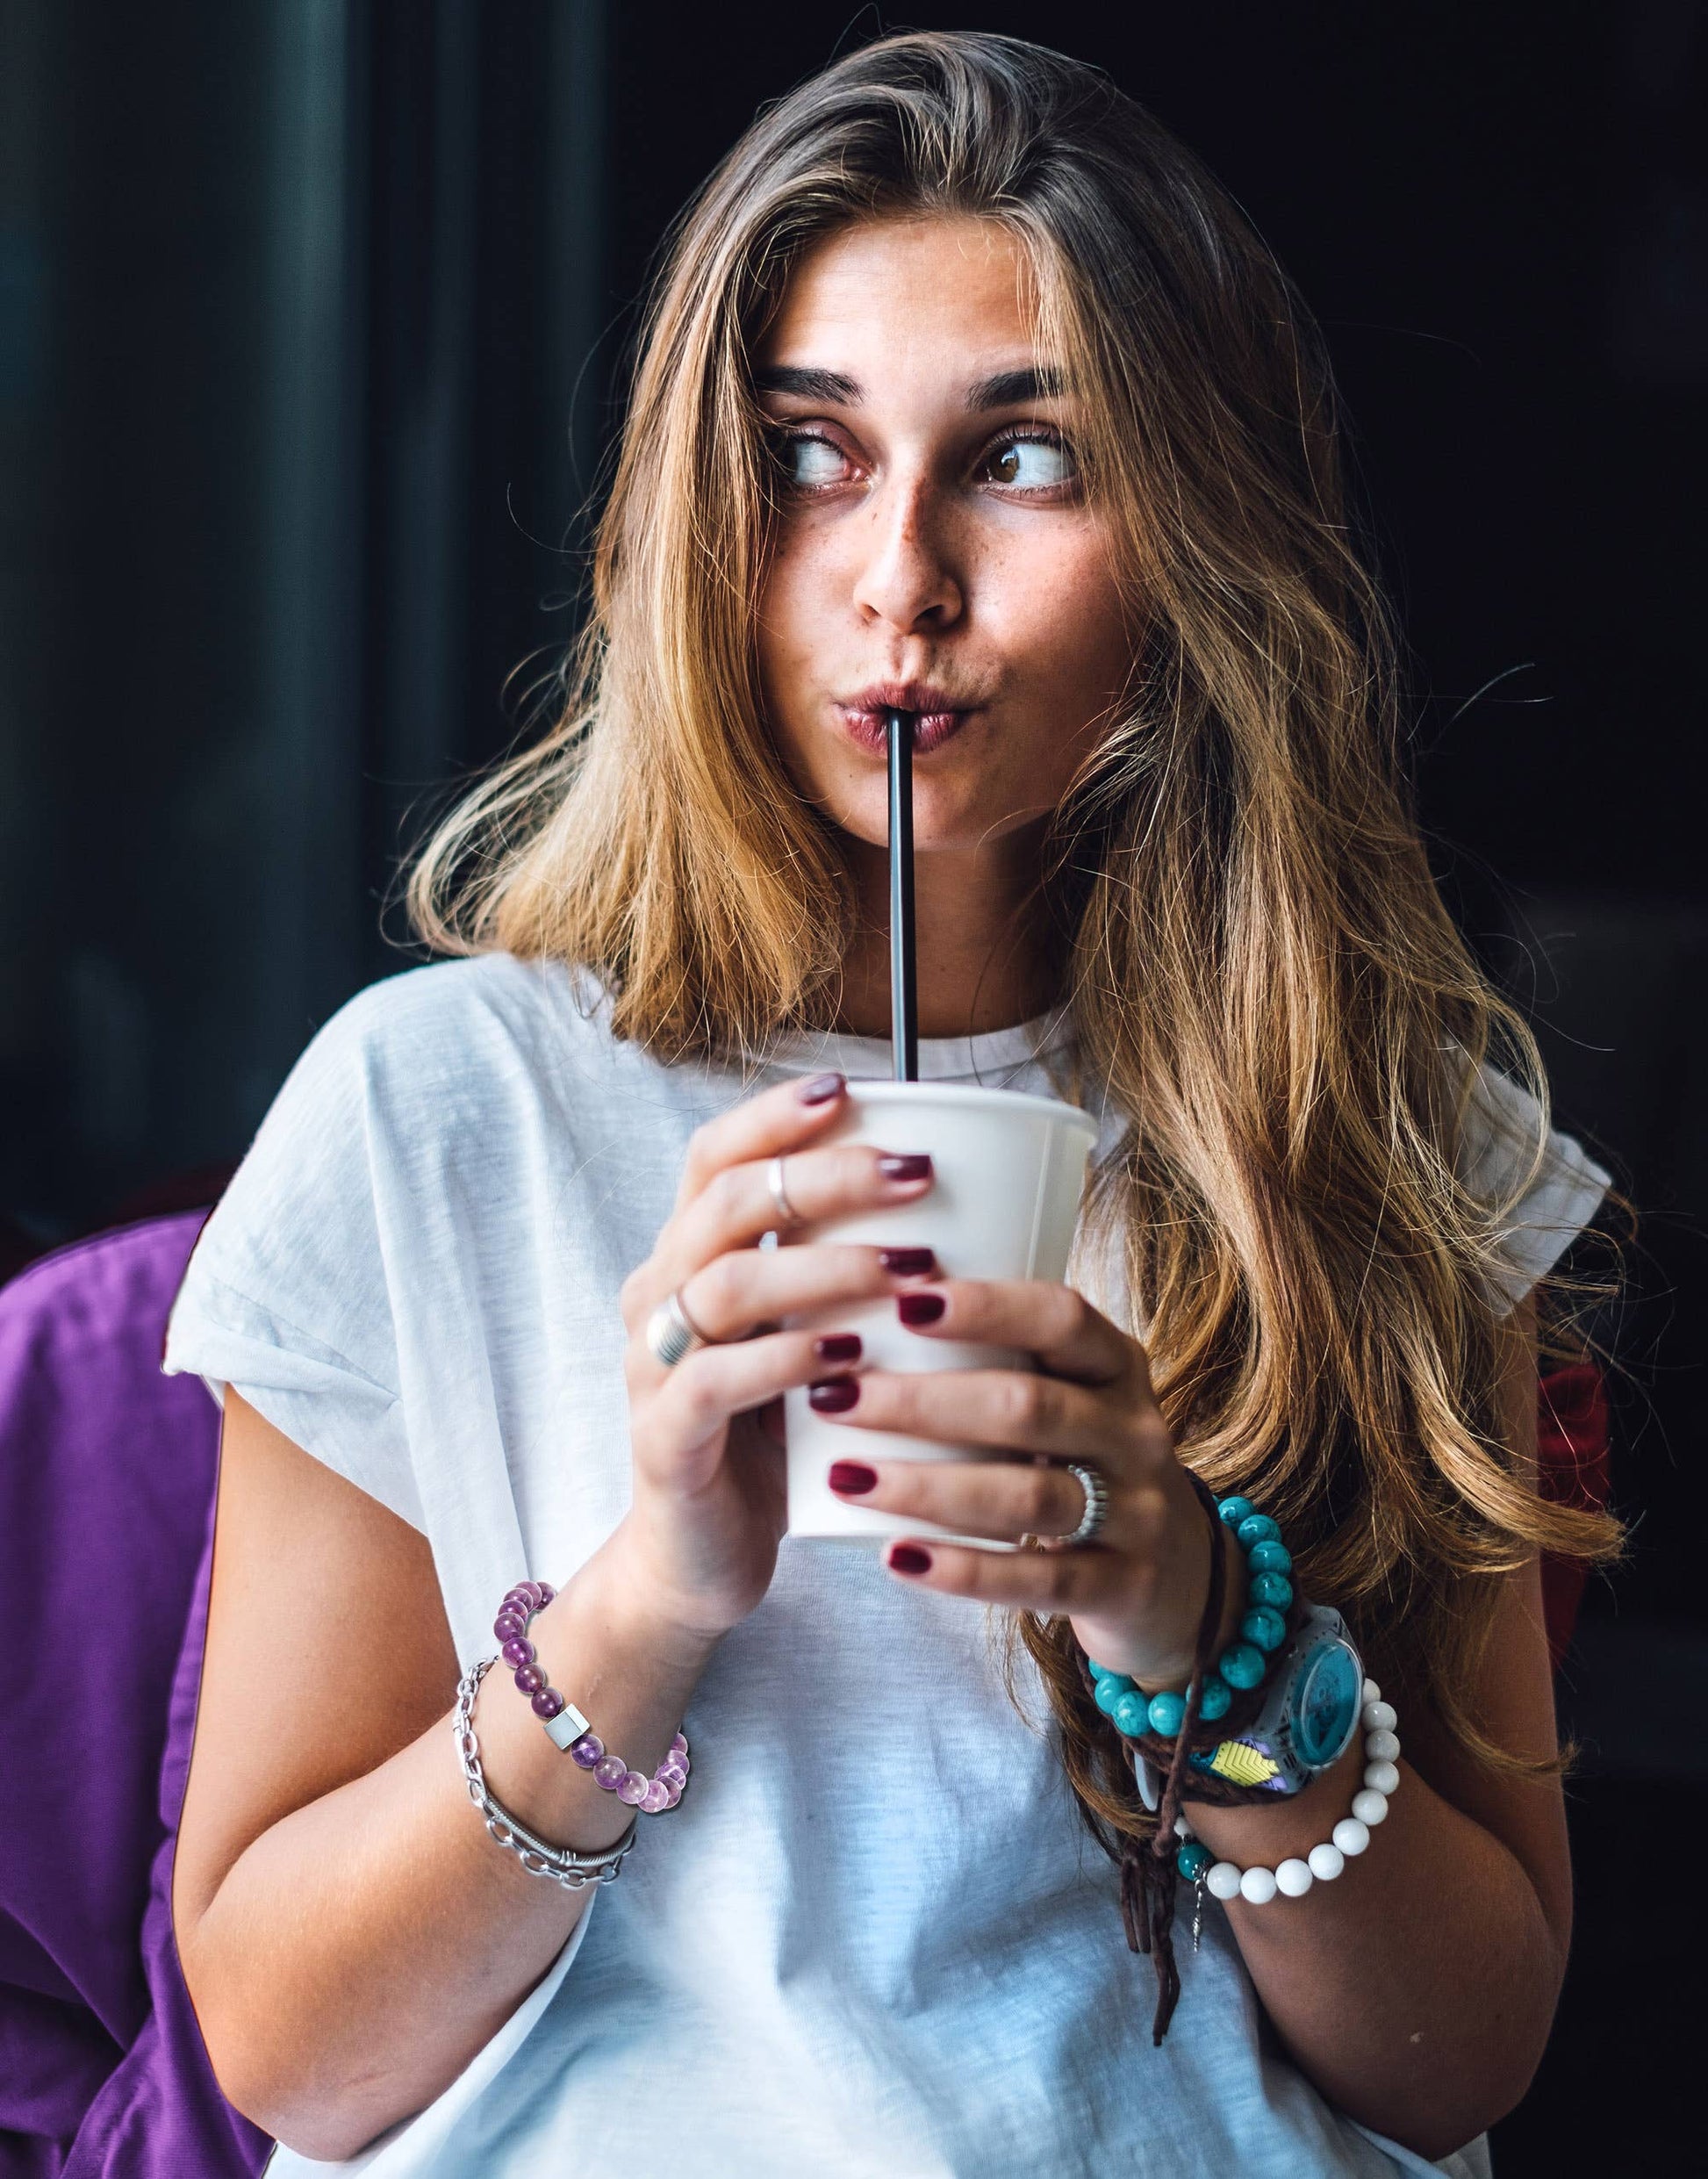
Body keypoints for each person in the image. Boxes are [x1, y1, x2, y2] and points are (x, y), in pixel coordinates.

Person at [164, 32, 1619, 2177]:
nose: (898, 576)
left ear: (1196, 537)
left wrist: (1195, 1623)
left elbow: (1462, 2054)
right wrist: (650, 1595)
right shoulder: (435, 1112)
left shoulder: (1375, 1128)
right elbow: (289, 2048)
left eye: (1024, 458)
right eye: (808, 454)